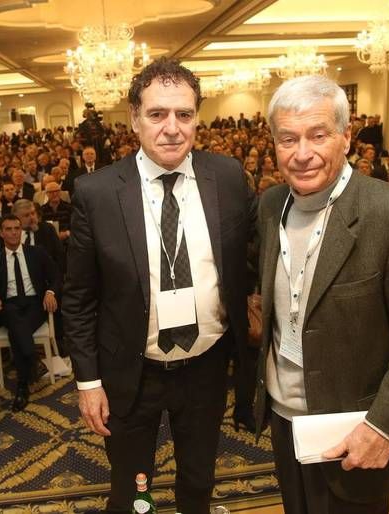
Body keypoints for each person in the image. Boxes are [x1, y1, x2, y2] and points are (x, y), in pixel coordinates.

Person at [63, 58, 256, 514]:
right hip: (131, 369)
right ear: (134, 119)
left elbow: (254, 254)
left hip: (207, 365)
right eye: (157, 114)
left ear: (197, 117)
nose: (172, 128)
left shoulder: (228, 177)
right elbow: (79, 298)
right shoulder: (96, 192)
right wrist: (88, 381)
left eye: (184, 114)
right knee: (132, 492)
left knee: (199, 480)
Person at [254, 75, 389, 514]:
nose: (301, 153)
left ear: (346, 137)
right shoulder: (270, 206)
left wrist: (383, 426)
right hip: (284, 420)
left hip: (356, 429)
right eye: (288, 139)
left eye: (318, 135)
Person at [0, 215, 60, 411]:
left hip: (35, 303)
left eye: (16, 228)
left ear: (21, 231)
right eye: (8, 229)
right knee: (14, 319)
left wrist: (50, 292)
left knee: (16, 332)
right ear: (1, 233)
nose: (13, 233)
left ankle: (22, 385)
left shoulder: (37, 252)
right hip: (9, 304)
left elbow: (55, 276)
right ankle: (33, 361)